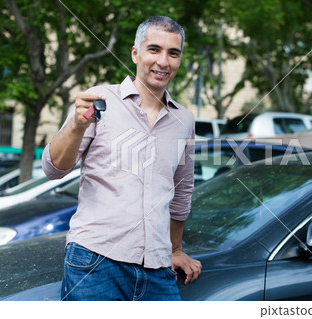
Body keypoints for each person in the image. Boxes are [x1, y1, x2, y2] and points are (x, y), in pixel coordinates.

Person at [42, 16, 201, 301]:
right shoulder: (100, 99)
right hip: (95, 262)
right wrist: (76, 126)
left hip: (158, 268)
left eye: (173, 53)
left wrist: (175, 249)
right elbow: (53, 169)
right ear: (135, 53)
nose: (163, 62)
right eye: (154, 49)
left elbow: (181, 193)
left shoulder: (184, 120)